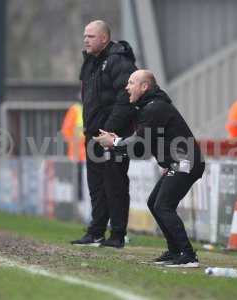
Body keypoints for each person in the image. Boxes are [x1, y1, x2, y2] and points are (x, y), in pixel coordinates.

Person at [94, 70, 205, 267]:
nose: (127, 87)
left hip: (185, 163)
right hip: (178, 162)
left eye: (131, 82)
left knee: (163, 205)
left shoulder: (155, 108)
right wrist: (117, 142)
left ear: (144, 87)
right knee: (155, 203)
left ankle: (188, 255)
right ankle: (174, 251)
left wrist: (115, 141)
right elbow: (140, 146)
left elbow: (139, 141)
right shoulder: (148, 107)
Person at [70, 20, 137, 248]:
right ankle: (96, 231)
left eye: (90, 36)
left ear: (104, 39)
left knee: (115, 185)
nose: (85, 40)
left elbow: (127, 98)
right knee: (96, 186)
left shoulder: (119, 61)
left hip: (112, 136)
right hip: (93, 135)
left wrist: (109, 130)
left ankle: (117, 235)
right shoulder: (90, 62)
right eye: (85, 35)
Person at [61, 101, 86, 200]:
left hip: (90, 155)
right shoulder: (76, 109)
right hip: (79, 156)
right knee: (79, 184)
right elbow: (66, 131)